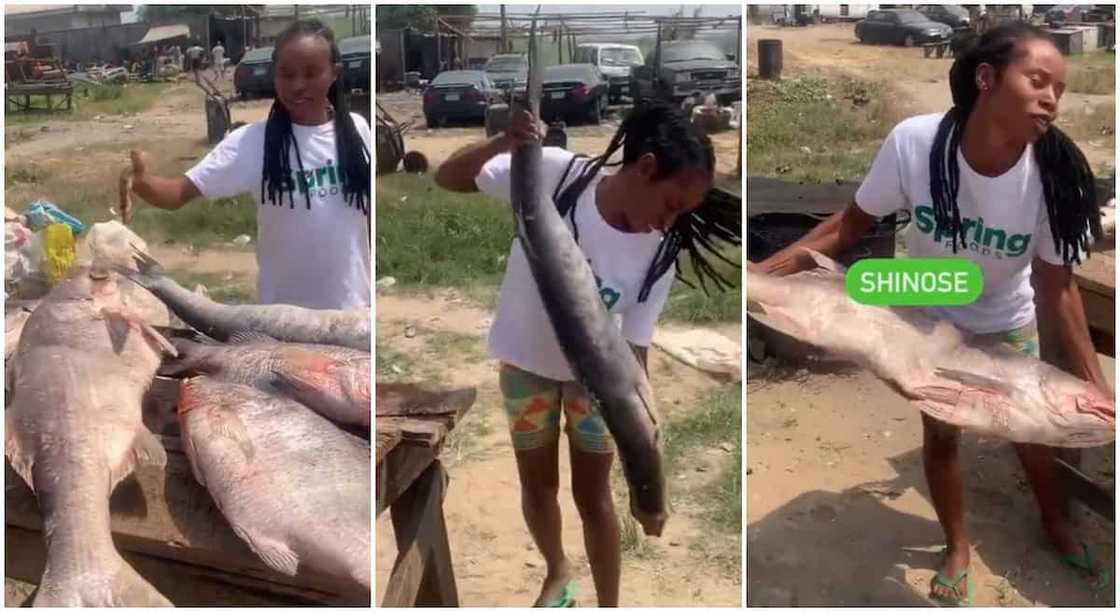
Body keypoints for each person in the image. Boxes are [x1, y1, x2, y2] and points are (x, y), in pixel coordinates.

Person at [751, 23, 1110, 605]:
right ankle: (958, 544)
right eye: (1038, 81)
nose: (1051, 99)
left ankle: (1056, 522)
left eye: (1060, 90)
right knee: (941, 439)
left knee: (1034, 435)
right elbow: (850, 225)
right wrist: (762, 275)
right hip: (931, 316)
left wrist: (1097, 389)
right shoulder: (916, 144)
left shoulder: (1053, 176)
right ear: (987, 79)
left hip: (1006, 316)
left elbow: (1057, 287)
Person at [433, 99, 739, 606]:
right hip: (524, 368)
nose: (668, 223)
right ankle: (557, 572)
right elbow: (449, 178)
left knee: (593, 497)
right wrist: (504, 143)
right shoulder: (558, 177)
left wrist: (646, 430)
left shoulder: (660, 252)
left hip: (592, 390)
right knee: (538, 487)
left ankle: (609, 603)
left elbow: (634, 349)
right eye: (669, 205)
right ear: (644, 169)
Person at [126, 20, 371, 310]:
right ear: (274, 75)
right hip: (285, 321)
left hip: (355, 313)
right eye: (286, 74)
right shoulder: (251, 142)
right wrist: (141, 182)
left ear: (334, 73)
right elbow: (178, 192)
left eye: (310, 73)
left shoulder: (356, 130)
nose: (297, 85)